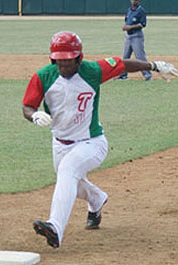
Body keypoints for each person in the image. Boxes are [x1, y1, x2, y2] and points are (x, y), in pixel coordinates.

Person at [22, 31, 178, 248]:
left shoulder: (93, 71)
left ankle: (55, 228)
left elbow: (123, 64)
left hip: (91, 143)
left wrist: (153, 65)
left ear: (79, 58)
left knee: (67, 171)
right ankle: (96, 199)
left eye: (68, 61)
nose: (64, 66)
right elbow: (27, 106)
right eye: (59, 61)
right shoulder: (43, 76)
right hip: (59, 144)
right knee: (70, 182)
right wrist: (34, 115)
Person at [116, 0, 152, 81]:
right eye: (133, 0)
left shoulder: (141, 11)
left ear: (139, 1)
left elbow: (143, 24)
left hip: (137, 36)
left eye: (136, 0)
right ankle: (123, 75)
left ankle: (147, 75)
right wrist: (125, 26)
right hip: (128, 36)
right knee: (125, 56)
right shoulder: (129, 10)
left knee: (140, 57)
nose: (134, 1)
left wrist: (130, 27)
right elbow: (127, 20)